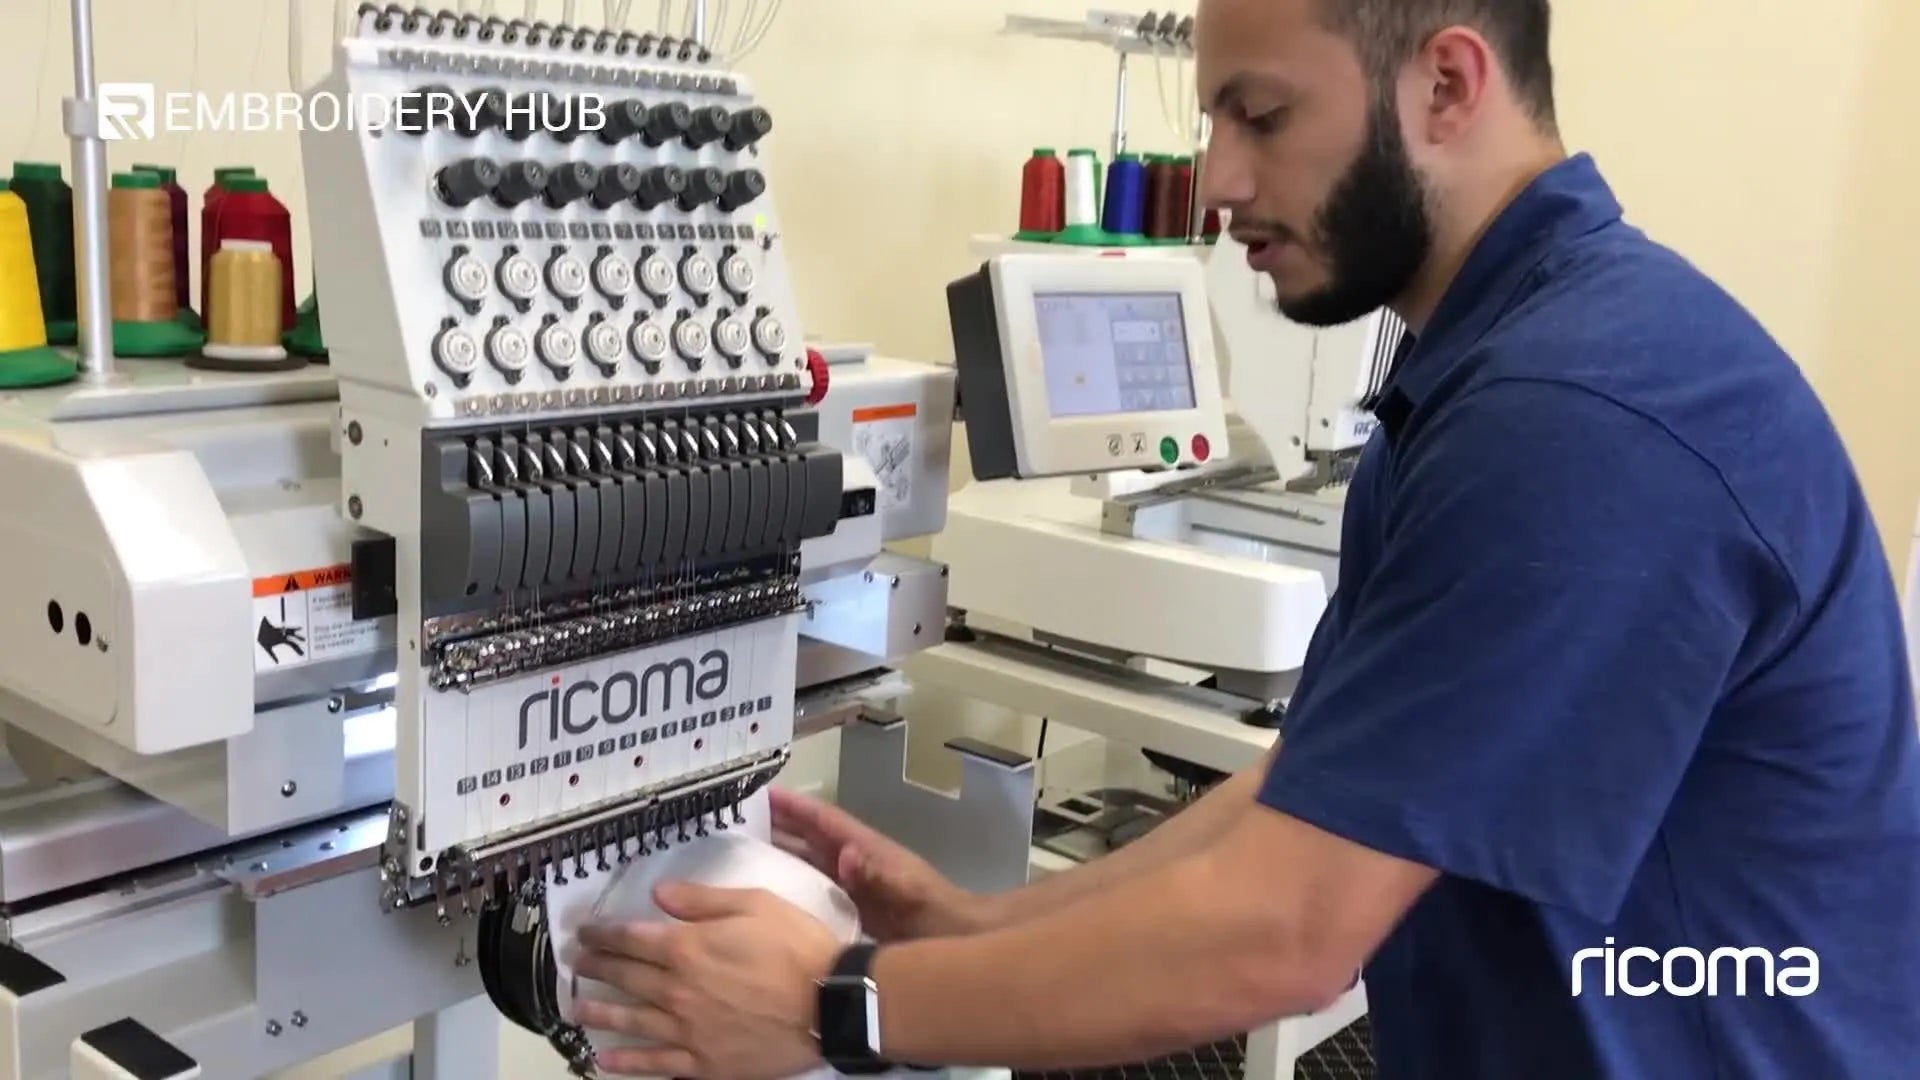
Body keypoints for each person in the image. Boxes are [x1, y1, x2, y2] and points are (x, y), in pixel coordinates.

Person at [569, 0, 1920, 1076]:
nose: (1217, 179)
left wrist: (840, 1006)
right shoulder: (1485, 373)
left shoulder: (1580, 420)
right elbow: (1306, 803)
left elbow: (1290, 937)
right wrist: (987, 927)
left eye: (1259, 116)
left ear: (1447, 87)